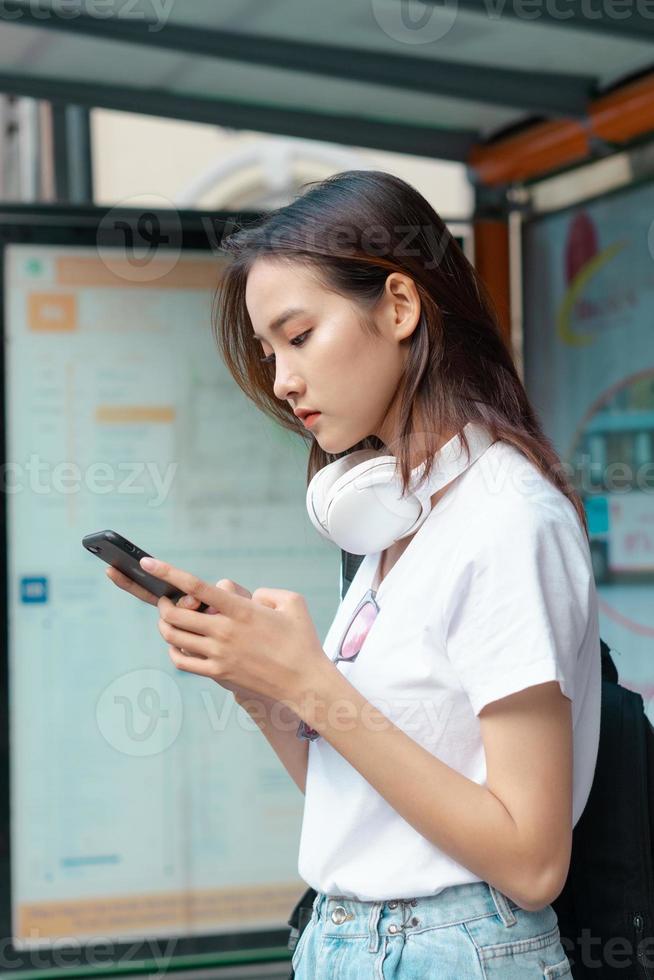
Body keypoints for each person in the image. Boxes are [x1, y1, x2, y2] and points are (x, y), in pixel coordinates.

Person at [109, 170, 600, 979]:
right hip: (347, 939)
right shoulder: (396, 529)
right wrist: (260, 683)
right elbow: (367, 807)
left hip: (455, 947)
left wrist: (311, 684)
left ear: (400, 307)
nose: (281, 380)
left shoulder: (509, 518)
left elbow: (532, 858)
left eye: (298, 337)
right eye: (269, 352)